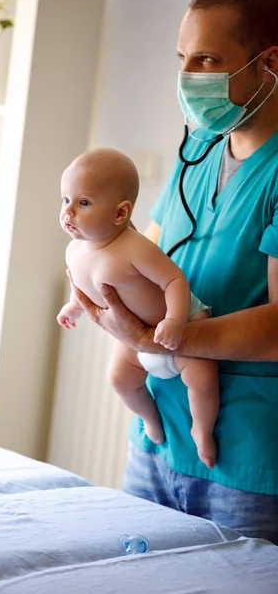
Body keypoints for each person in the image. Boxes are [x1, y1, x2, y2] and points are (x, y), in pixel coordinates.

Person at [67, 0, 278, 544]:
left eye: (206, 59)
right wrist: (127, 342)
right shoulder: (200, 150)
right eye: (181, 57)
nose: (186, 76)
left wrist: (156, 340)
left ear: (270, 64)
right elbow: (139, 255)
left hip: (247, 460)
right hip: (156, 443)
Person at [57, 148, 219, 468]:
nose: (69, 212)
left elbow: (175, 281)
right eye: (65, 200)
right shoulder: (75, 251)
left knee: (203, 378)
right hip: (134, 338)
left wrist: (174, 321)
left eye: (83, 203)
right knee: (119, 378)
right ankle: (151, 420)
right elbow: (86, 289)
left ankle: (202, 431)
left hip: (181, 324)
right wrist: (72, 309)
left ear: (120, 214)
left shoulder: (134, 248)